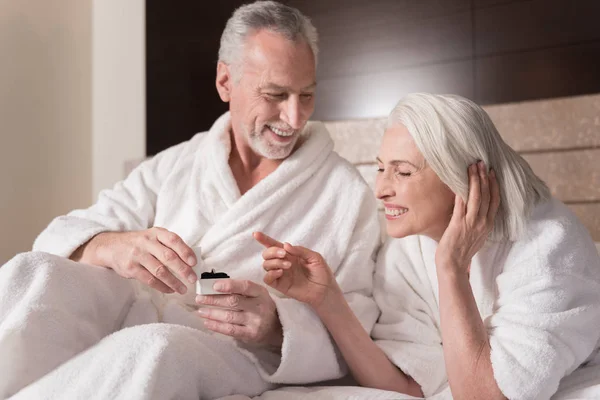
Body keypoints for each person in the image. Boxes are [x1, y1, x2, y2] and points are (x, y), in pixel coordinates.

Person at [0, 2, 381, 399]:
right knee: (32, 271)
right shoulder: (176, 164)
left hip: (235, 353)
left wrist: (277, 327)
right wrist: (112, 245)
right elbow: (64, 234)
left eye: (306, 94)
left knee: (152, 349)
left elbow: (360, 319)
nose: (294, 116)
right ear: (225, 82)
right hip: (134, 315)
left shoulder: (347, 194)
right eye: (275, 94)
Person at [257, 93, 600, 399]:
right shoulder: (410, 247)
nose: (381, 190)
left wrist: (451, 268)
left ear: (463, 176)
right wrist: (327, 300)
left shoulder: (547, 247)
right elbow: (409, 384)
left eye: (402, 172)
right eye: (380, 169)